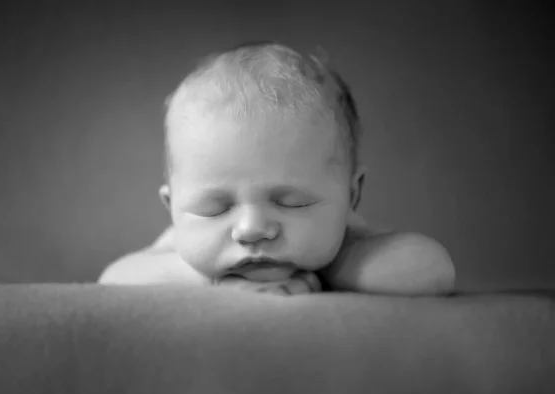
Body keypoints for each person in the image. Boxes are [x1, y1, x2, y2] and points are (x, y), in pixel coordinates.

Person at [99, 41, 455, 296]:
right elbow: (113, 279)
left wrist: (327, 267)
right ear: (172, 207)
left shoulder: (347, 236)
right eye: (215, 209)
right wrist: (209, 279)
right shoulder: (182, 244)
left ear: (351, 195)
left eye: (292, 203)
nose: (252, 229)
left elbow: (433, 272)